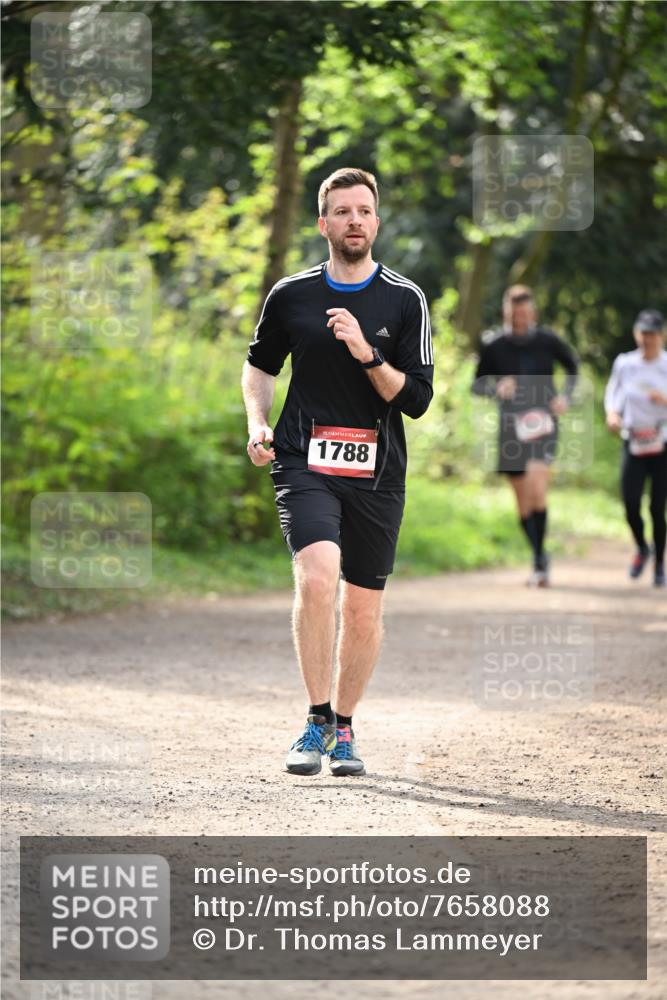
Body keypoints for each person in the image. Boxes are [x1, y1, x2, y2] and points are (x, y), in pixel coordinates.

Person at [241, 167, 434, 776]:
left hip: (378, 472)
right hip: (304, 458)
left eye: (365, 211)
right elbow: (260, 367)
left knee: (363, 609)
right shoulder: (291, 295)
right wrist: (258, 422)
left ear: (377, 222)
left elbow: (417, 400)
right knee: (318, 576)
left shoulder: (404, 299)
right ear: (323, 223)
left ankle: (345, 727)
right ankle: (316, 718)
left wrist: (367, 353)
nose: (355, 220)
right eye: (343, 211)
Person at [472, 285, 579, 587]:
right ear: (505, 312)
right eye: (513, 313)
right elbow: (477, 385)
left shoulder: (548, 340)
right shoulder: (494, 346)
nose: (519, 318)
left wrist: (566, 397)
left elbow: (573, 366)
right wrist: (497, 388)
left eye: (524, 313)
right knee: (522, 501)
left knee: (537, 490)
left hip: (544, 425)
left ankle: (539, 561)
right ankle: (539, 555)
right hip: (511, 428)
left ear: (533, 313)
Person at [604, 309, 667, 587]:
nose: (647, 339)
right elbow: (613, 393)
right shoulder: (625, 363)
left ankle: (660, 564)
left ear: (661, 336)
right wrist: (612, 414)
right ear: (636, 334)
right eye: (643, 334)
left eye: (652, 334)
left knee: (657, 507)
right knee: (630, 503)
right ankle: (642, 546)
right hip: (634, 440)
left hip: (662, 441)